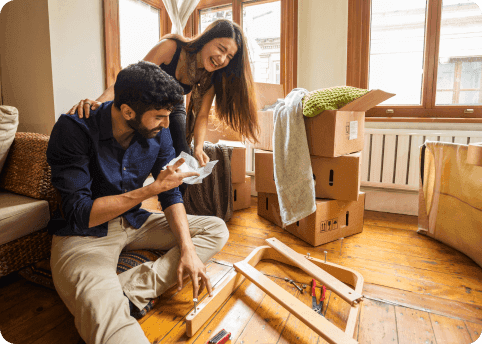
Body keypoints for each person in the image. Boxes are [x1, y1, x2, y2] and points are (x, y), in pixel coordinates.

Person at [47, 60, 230, 344]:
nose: (167, 124)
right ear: (128, 111)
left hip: (135, 221)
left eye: (168, 115)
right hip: (85, 235)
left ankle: (127, 292)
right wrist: (149, 191)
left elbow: (169, 193)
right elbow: (81, 214)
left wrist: (188, 248)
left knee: (216, 229)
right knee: (111, 326)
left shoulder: (158, 130)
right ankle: (106, 302)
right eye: (159, 116)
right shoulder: (73, 130)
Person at [68, 19, 259, 172]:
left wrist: (198, 148)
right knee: (137, 150)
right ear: (207, 38)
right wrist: (99, 102)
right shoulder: (171, 47)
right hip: (145, 102)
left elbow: (201, 115)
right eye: (221, 49)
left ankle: (177, 203)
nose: (222, 59)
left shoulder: (211, 76)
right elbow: (129, 77)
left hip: (173, 106)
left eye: (230, 57)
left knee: (183, 156)